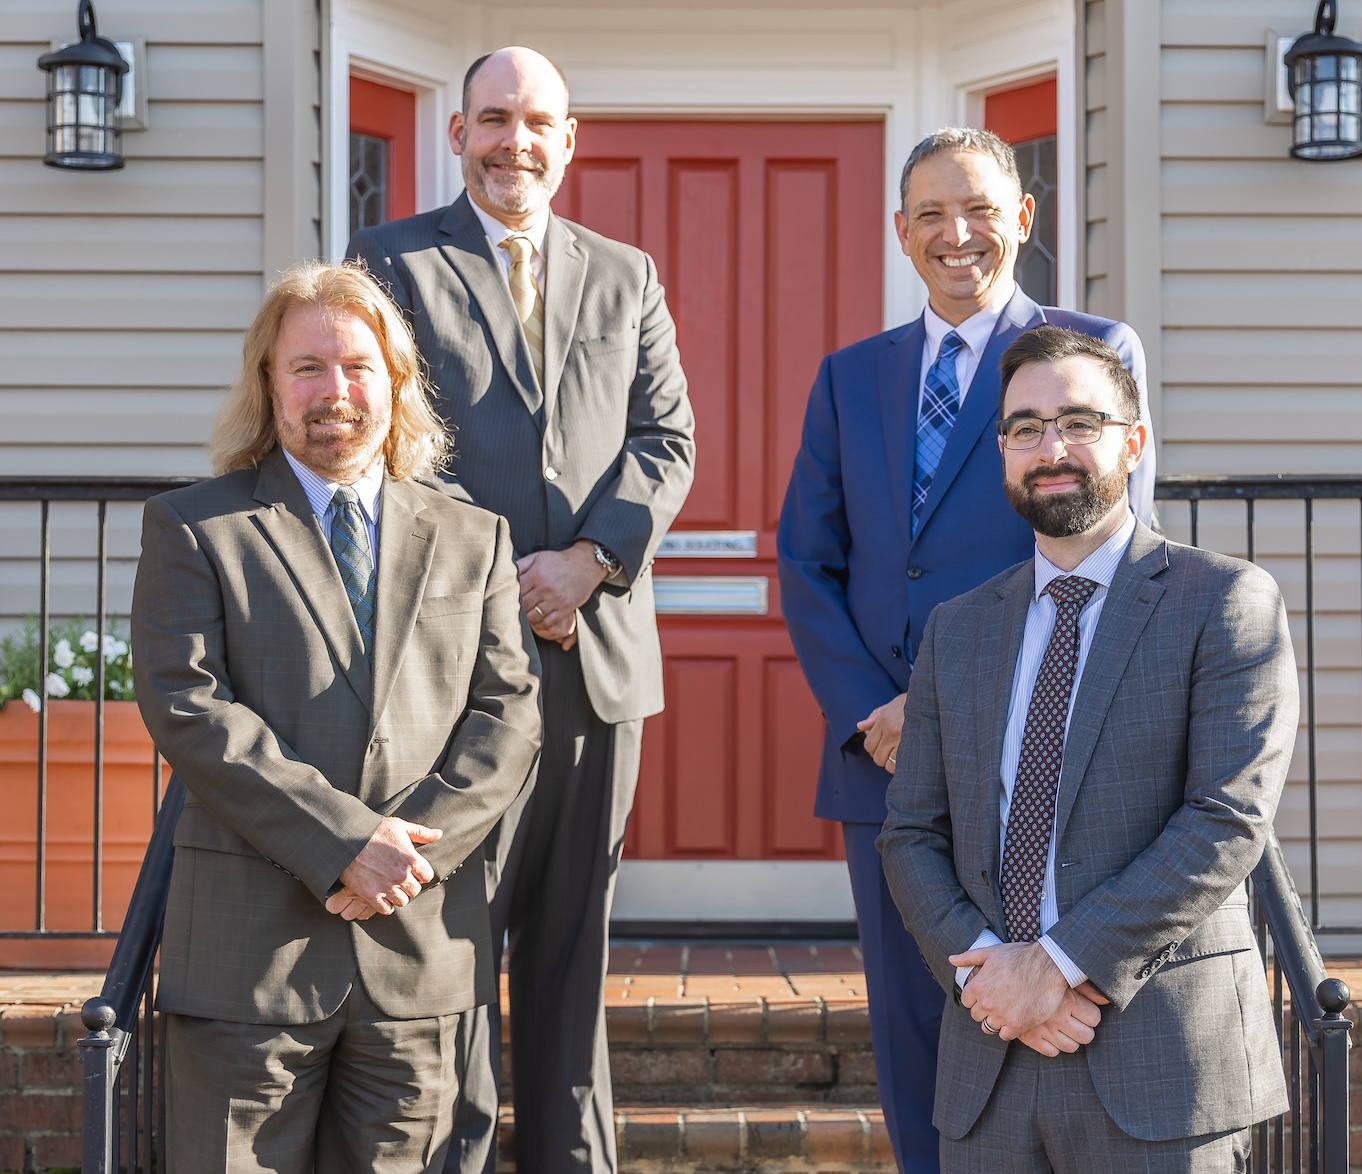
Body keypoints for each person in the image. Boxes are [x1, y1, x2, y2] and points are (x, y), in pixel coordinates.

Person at [776, 126, 1155, 1174]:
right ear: (901, 233)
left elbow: (1110, 562)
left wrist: (949, 714)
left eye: (981, 209)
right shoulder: (852, 377)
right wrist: (872, 708)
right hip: (884, 762)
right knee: (911, 1032)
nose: (958, 234)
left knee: (1042, 1015)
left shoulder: (1091, 353)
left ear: (1022, 219)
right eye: (932, 214)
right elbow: (806, 560)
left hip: (1037, 756)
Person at [346, 46, 695, 1174]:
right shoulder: (392, 263)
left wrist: (589, 561)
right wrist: (515, 578)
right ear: (458, 135)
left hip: (598, 665)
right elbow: (392, 445)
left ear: (569, 138)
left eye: (537, 121)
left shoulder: (626, 275)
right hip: (455, 673)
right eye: (493, 120)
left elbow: (665, 441)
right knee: (454, 941)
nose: (516, 142)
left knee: (573, 946)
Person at [130, 261, 543, 1173]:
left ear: (396, 386)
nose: (335, 391)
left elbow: (508, 719)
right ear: (268, 385)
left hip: (418, 949)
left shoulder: (474, 537)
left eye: (358, 366)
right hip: (250, 956)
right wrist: (343, 843)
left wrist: (401, 857)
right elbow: (192, 711)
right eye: (308, 368)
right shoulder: (197, 528)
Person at [879, 325, 1296, 1173]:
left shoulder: (1222, 602)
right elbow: (911, 834)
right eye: (1025, 428)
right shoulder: (957, 632)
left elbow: (1226, 818)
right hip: (992, 1063)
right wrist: (994, 978)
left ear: (1132, 442)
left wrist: (1061, 966)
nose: (1051, 447)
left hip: (1159, 1061)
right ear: (1002, 453)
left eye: (1079, 421)